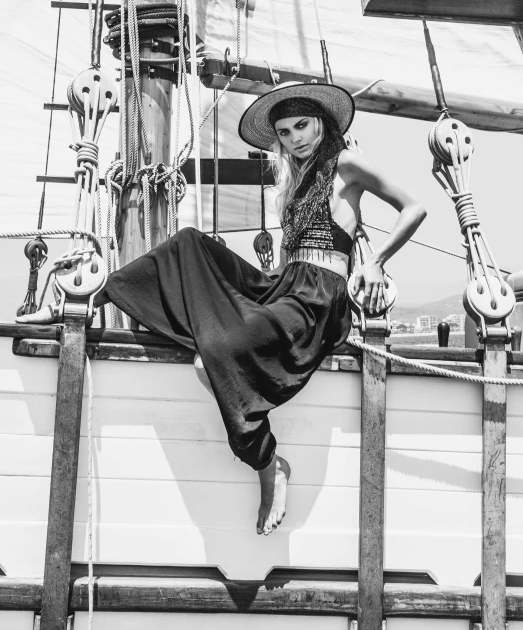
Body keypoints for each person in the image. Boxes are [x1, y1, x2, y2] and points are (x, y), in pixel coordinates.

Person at [16, 82, 426, 536]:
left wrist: (374, 261)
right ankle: (86, 300)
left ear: (322, 123)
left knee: (209, 356)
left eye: (303, 126)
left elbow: (414, 208)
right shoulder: (293, 181)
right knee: (189, 244)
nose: (296, 138)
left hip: (318, 300)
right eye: (285, 132)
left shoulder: (345, 163)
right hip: (287, 288)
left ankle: (268, 462)